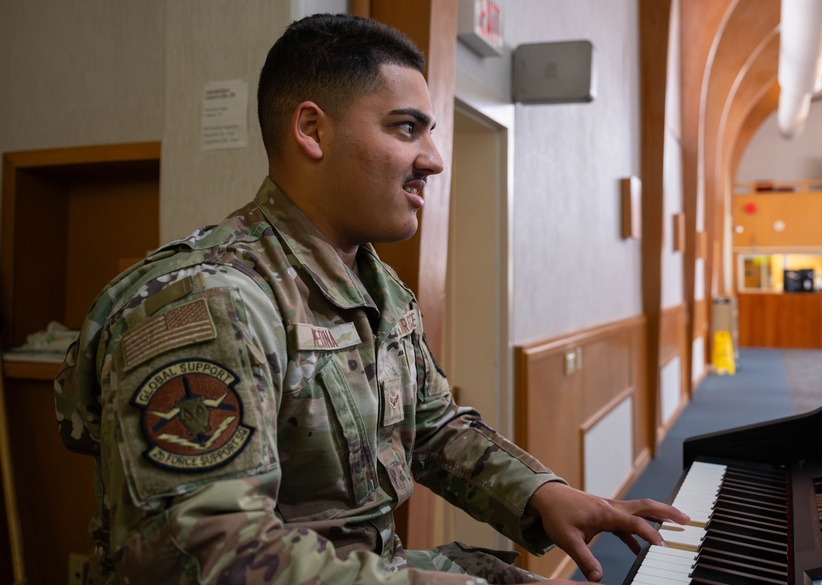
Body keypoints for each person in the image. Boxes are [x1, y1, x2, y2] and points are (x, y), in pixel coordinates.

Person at [54, 14, 688, 585]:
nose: (434, 160)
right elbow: (196, 552)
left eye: (428, 132)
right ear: (312, 130)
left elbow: (434, 429)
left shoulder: (378, 289)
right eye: (405, 128)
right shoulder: (215, 301)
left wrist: (542, 494)